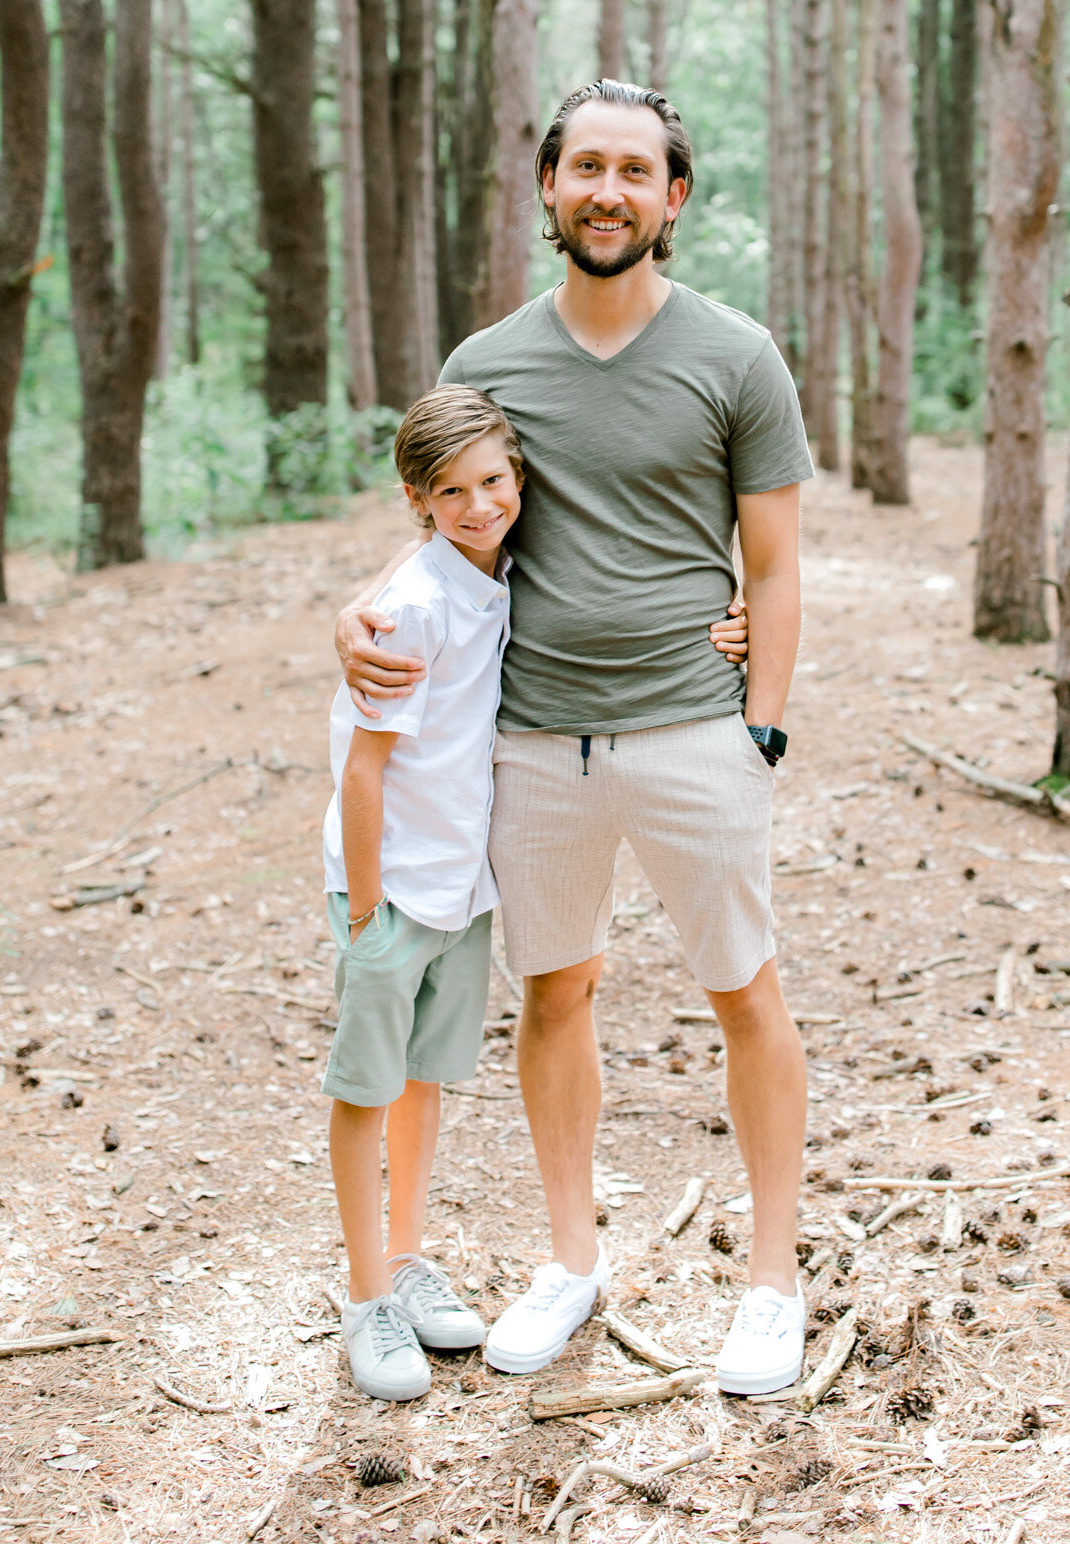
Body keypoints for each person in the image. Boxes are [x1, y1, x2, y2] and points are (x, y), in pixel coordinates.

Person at [336, 80, 812, 1395]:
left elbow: (771, 567)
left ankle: (771, 1282)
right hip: (531, 742)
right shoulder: (485, 367)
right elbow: (445, 520)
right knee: (555, 995)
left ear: (671, 197)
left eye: (634, 170)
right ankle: (570, 1259)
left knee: (744, 993)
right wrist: (358, 611)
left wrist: (760, 721)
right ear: (549, 187)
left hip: (692, 730)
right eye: (582, 165)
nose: (607, 189)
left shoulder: (736, 356)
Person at [323, 385, 522, 1402]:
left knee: (421, 1079)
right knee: (366, 1086)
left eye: (495, 479)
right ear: (420, 499)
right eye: (454, 490)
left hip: (462, 884)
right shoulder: (410, 605)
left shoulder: (497, 577)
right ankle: (365, 1295)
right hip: (392, 886)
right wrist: (364, 914)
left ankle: (406, 1256)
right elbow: (364, 770)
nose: (481, 503)